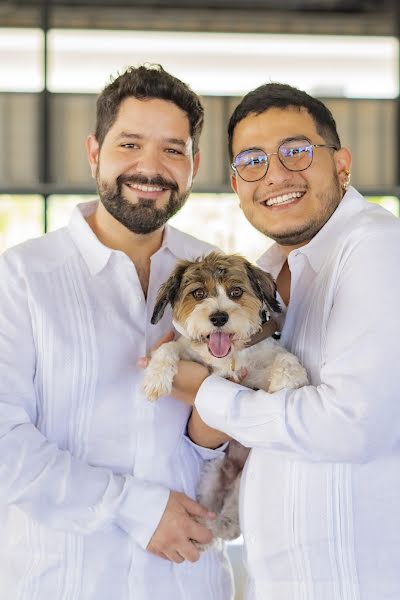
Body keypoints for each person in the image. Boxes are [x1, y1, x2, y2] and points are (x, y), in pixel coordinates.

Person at [0, 65, 234, 600]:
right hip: (58, 583)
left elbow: (243, 438)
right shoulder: (21, 278)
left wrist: (214, 410)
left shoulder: (222, 280)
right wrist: (138, 509)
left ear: (195, 165)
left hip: (189, 582)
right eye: (130, 144)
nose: (150, 168)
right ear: (93, 152)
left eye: (173, 150)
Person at [163, 83, 400, 600]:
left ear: (342, 164)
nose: (274, 175)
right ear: (235, 183)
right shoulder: (267, 274)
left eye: (295, 151)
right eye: (252, 161)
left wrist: (205, 393)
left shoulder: (378, 250)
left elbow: (352, 427)